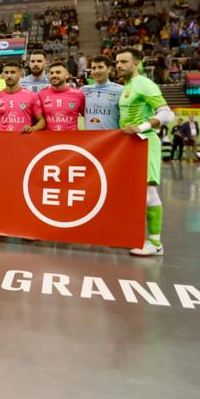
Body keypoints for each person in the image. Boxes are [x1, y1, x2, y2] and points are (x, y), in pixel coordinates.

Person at [116, 47, 175, 257]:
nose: (119, 66)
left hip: (145, 143)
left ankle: (156, 243)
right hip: (131, 146)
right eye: (117, 62)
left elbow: (168, 114)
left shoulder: (145, 84)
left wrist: (140, 128)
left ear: (136, 63)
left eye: (124, 62)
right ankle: (140, 238)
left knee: (149, 193)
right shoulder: (127, 86)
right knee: (135, 194)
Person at [0, 61, 45, 133]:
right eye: (6, 72)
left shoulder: (31, 96)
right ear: (2, 76)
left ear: (20, 75)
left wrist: (33, 128)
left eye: (13, 72)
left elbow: (41, 121)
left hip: (23, 140)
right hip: (2, 141)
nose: (9, 75)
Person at [38, 62, 85, 131]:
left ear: (67, 75)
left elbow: (87, 116)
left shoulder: (79, 95)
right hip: (49, 139)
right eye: (51, 73)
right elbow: (38, 119)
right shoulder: (41, 94)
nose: (54, 75)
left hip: (71, 140)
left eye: (58, 72)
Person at [80, 55, 122, 130]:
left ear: (109, 69)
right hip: (89, 140)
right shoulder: (83, 90)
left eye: (100, 67)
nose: (96, 71)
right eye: (93, 68)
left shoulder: (120, 90)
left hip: (112, 139)